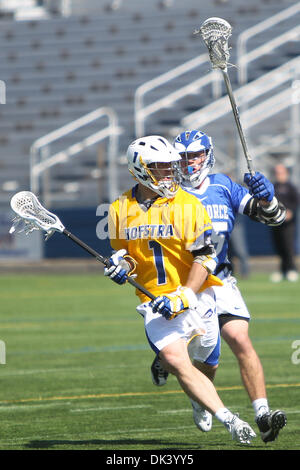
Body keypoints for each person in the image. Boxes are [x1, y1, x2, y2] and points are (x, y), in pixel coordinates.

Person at [105, 134, 256, 445]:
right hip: (155, 301)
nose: (169, 173)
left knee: (207, 363)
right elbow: (129, 257)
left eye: (170, 166)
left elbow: (206, 256)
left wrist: (185, 294)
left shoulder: (187, 204)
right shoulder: (120, 207)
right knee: (175, 360)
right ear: (140, 169)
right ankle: (230, 419)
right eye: (160, 167)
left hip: (197, 295)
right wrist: (122, 268)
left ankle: (199, 399)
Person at [150, 130, 287, 443]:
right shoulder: (165, 193)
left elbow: (275, 219)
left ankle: (263, 414)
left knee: (239, 338)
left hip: (221, 280)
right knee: (202, 358)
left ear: (207, 154)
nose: (189, 161)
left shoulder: (223, 186)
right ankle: (193, 391)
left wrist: (269, 197)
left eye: (195, 155)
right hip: (187, 284)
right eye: (183, 156)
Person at [270, 163, 299, 283]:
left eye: (281, 173)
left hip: (288, 223)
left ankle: (292, 269)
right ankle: (282, 270)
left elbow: (296, 202)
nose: (279, 175)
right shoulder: (273, 186)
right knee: (279, 246)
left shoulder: (291, 187)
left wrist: (290, 212)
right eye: (277, 173)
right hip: (276, 222)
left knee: (288, 246)